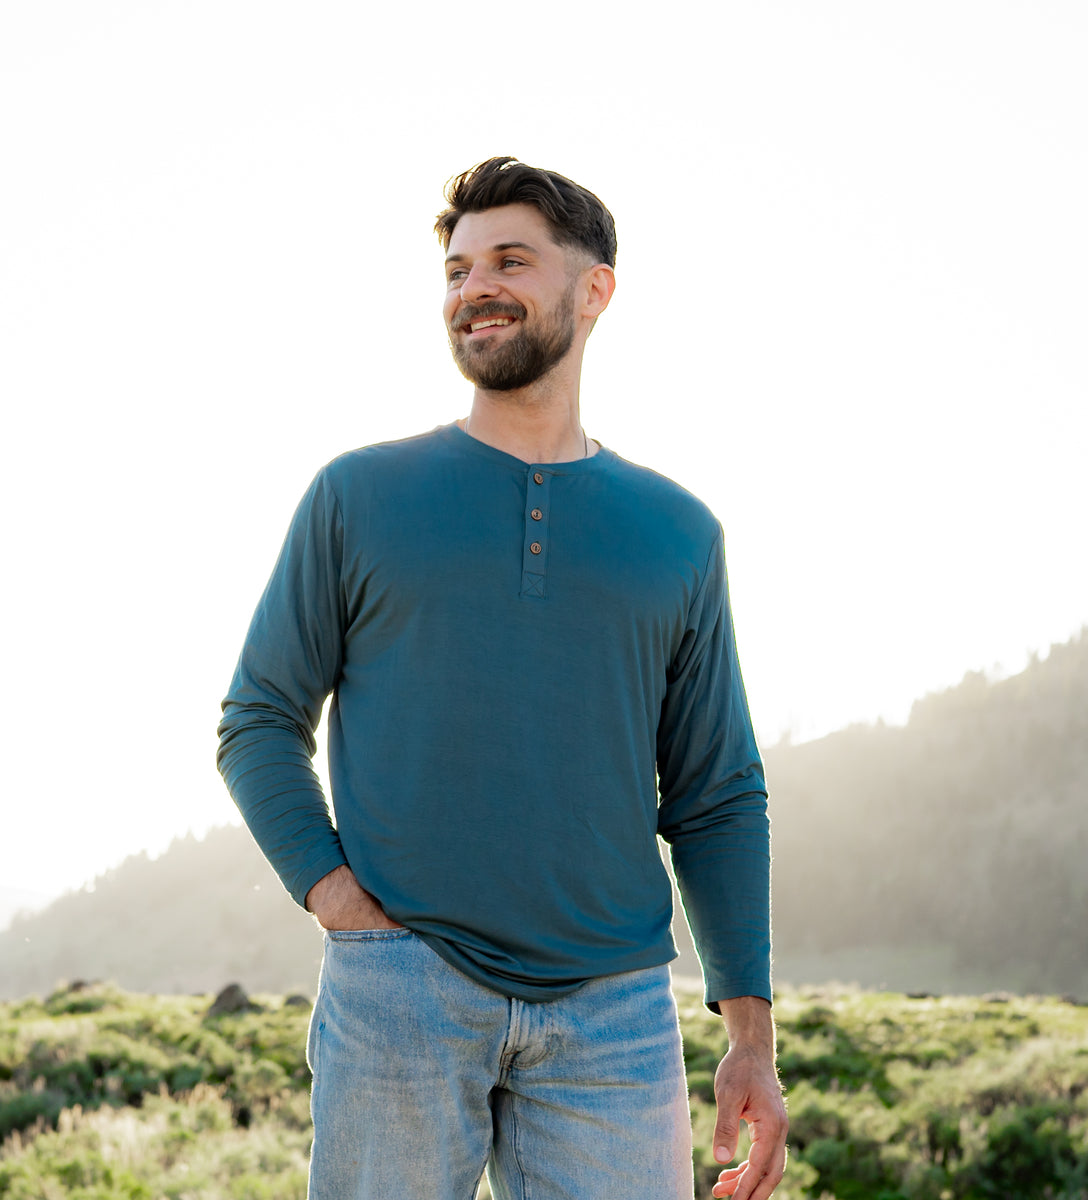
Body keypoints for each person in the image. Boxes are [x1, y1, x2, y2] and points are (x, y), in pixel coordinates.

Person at [217, 156, 787, 1200]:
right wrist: (337, 899)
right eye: (457, 268)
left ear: (595, 289)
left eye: (510, 261)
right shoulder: (359, 494)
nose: (473, 286)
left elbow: (716, 794)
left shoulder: (679, 533)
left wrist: (749, 1032)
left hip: (616, 1016)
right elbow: (257, 719)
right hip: (403, 988)